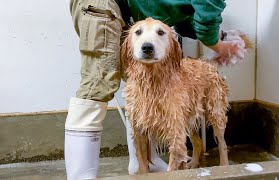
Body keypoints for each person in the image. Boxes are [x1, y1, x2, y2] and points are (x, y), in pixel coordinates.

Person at [65, 0, 242, 179]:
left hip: (127, 11)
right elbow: (205, 13)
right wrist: (220, 46)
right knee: (98, 82)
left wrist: (219, 35)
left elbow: (182, 21)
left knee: (141, 84)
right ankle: (80, 176)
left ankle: (144, 161)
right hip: (102, 3)